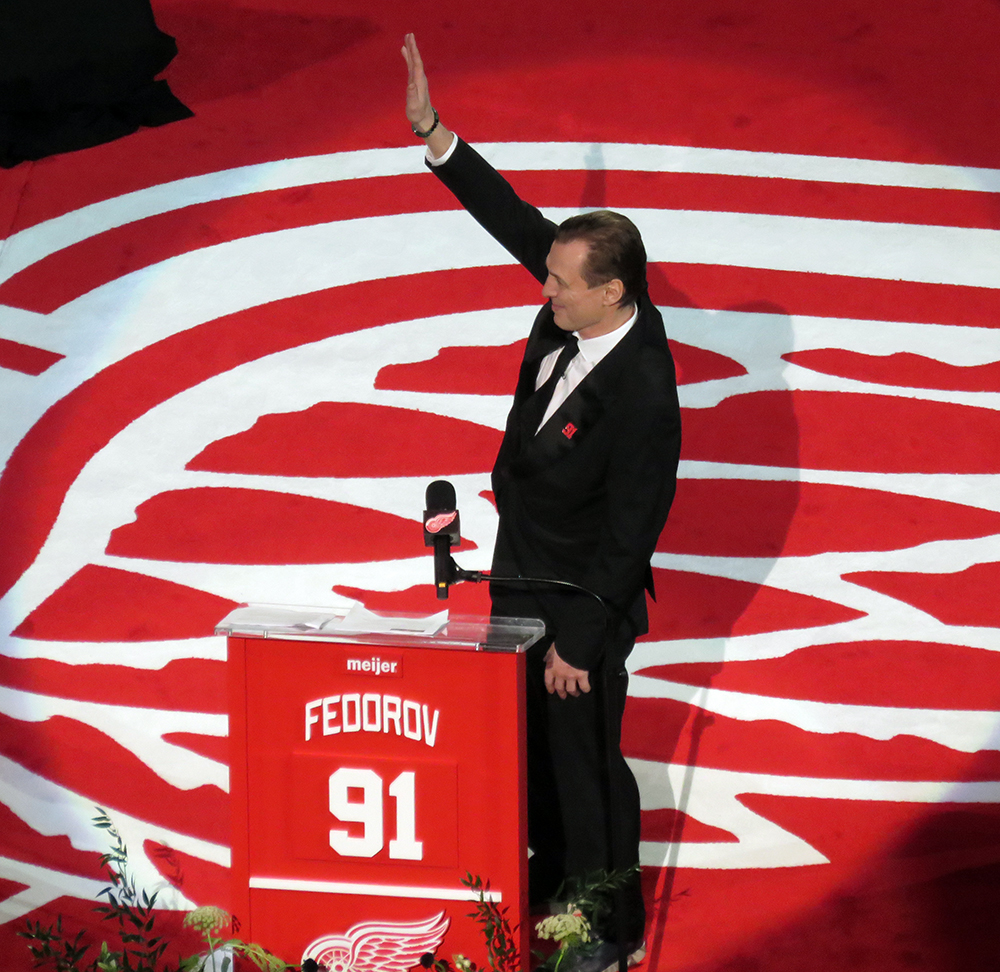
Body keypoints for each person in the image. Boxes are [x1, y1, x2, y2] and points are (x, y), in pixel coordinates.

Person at [403, 34, 681, 972]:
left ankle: (607, 928)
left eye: (562, 283)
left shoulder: (643, 389)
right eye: (551, 276)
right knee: (530, 759)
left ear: (612, 290)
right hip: (523, 574)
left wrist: (583, 640)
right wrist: (440, 139)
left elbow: (637, 521)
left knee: (587, 768)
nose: (545, 289)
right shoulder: (577, 304)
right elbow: (518, 223)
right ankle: (550, 891)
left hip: (577, 602)